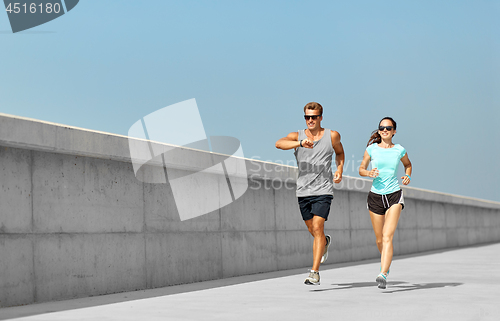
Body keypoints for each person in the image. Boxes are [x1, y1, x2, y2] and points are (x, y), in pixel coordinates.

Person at [275, 102, 345, 285]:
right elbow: (279, 144)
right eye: (307, 117)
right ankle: (324, 242)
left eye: (314, 117)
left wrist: (339, 169)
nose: (310, 120)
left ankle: (314, 272)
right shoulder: (296, 136)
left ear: (321, 117)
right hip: (303, 191)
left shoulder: (332, 135)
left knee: (317, 227)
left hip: (323, 190)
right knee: (313, 230)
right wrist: (299, 143)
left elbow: (340, 153)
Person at [358, 117, 412, 289]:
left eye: (388, 128)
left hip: (394, 195)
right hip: (375, 197)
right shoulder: (371, 149)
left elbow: (408, 165)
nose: (385, 130)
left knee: (388, 236)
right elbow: (361, 169)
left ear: (394, 131)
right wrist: (368, 173)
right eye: (382, 128)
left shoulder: (399, 150)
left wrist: (407, 175)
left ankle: (383, 272)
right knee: (380, 240)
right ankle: (386, 263)